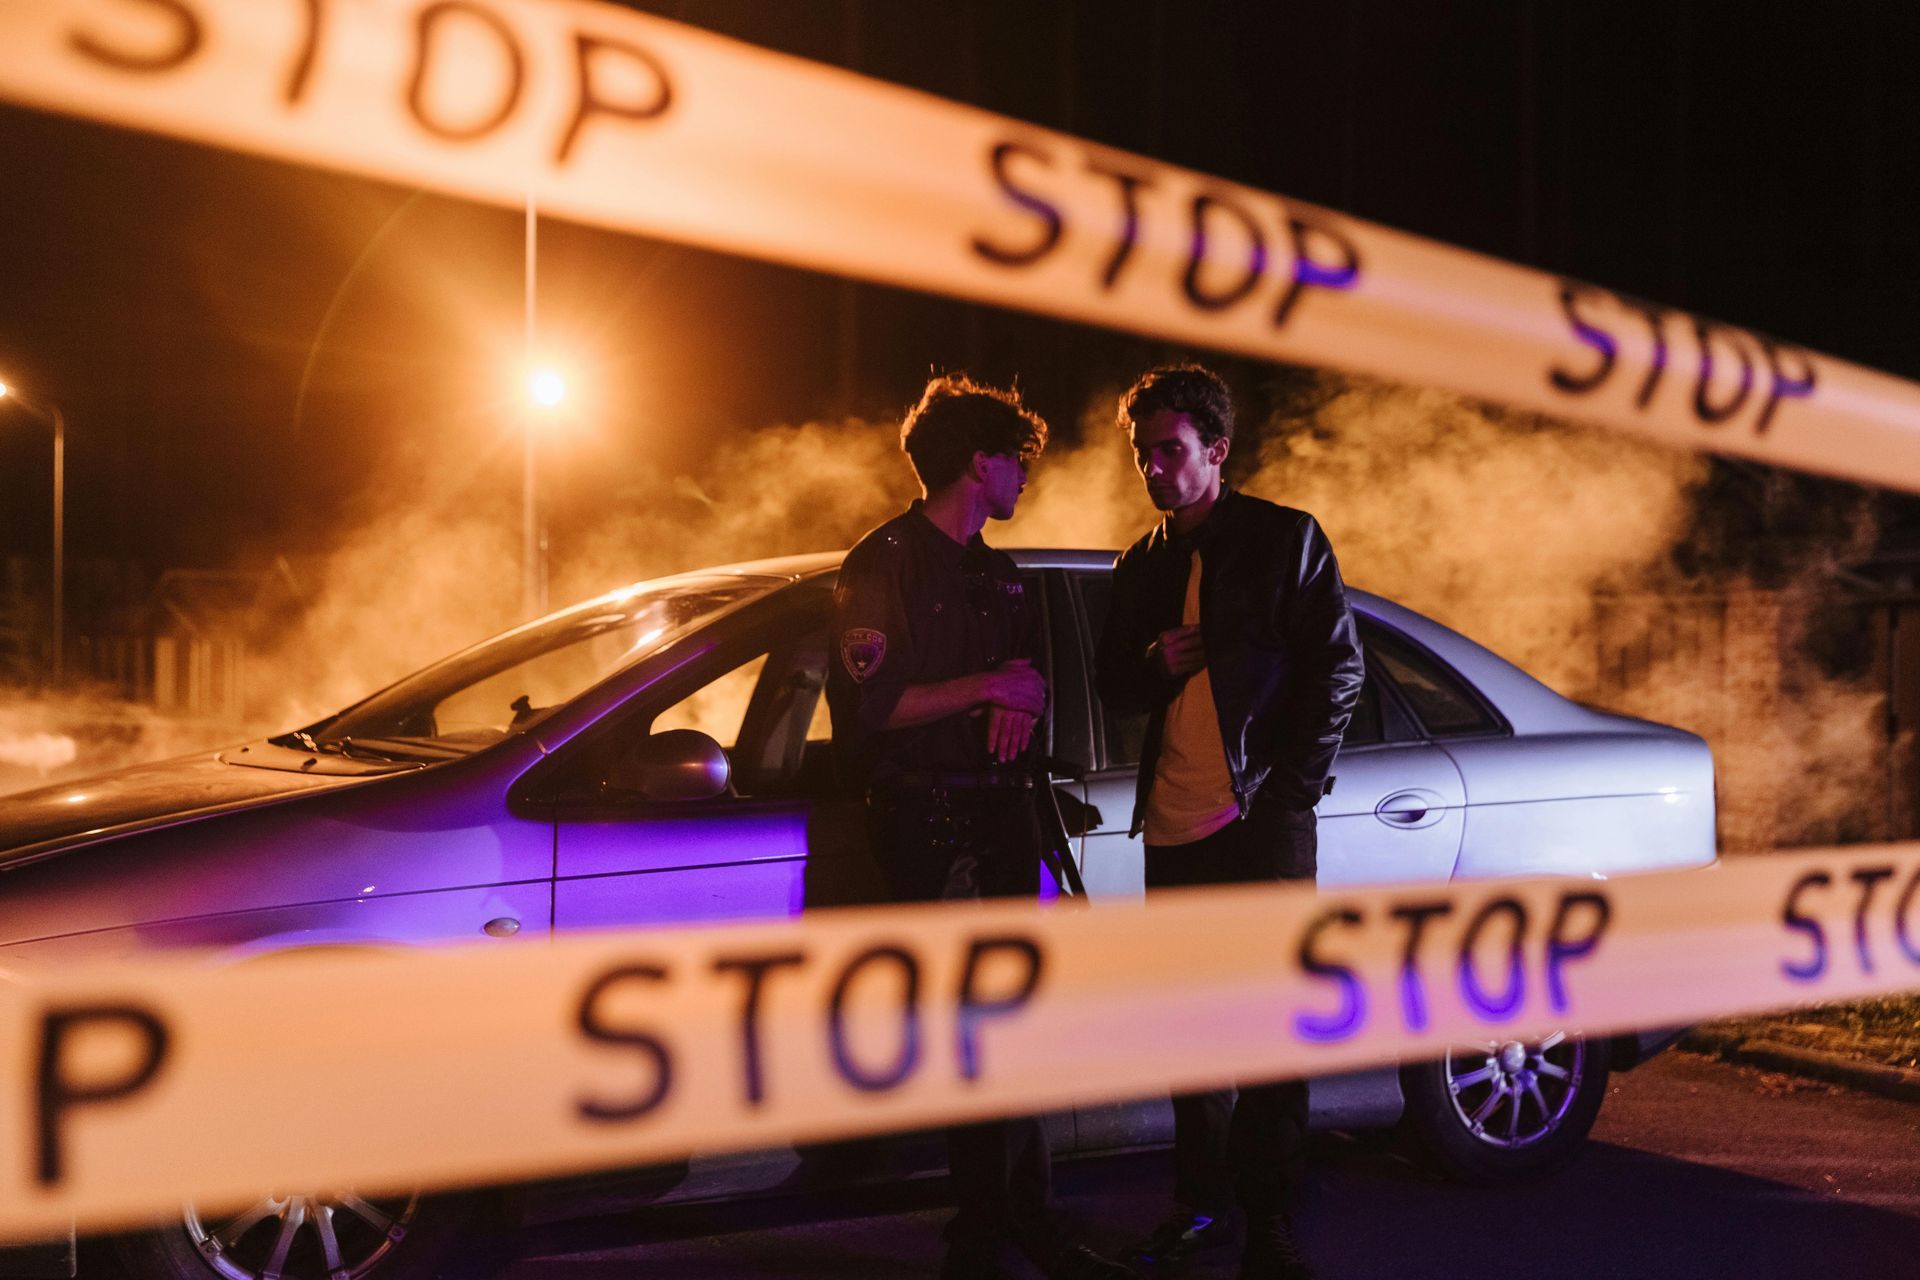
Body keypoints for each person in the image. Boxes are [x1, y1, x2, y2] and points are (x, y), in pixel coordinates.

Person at [827, 374, 1131, 1280]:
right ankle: (983, 1237)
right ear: (977, 462)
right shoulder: (881, 563)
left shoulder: (998, 571)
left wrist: (1018, 699)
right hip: (927, 818)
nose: (1025, 478)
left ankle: (1019, 1220)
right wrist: (990, 688)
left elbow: (1028, 684)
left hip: (1001, 811)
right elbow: (876, 707)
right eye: (1017, 461)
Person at [1096, 364, 1364, 1280]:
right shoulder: (1141, 563)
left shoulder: (1286, 541)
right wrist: (1152, 661)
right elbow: (1111, 687)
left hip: (1257, 821)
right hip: (1173, 826)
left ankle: (1272, 1222)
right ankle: (1199, 1204)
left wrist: (1289, 793)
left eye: (1170, 452)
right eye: (1143, 455)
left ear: (1216, 451)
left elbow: (1340, 669)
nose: (1154, 471)